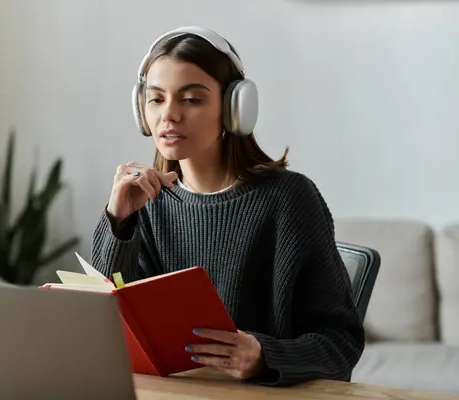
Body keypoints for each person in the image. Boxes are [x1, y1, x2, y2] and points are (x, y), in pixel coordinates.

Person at [91, 26, 365, 386]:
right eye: (156, 99)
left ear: (235, 108)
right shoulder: (147, 203)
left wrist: (265, 356)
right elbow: (103, 326)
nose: (168, 115)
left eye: (191, 99)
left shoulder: (290, 200)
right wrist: (119, 221)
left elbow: (341, 344)